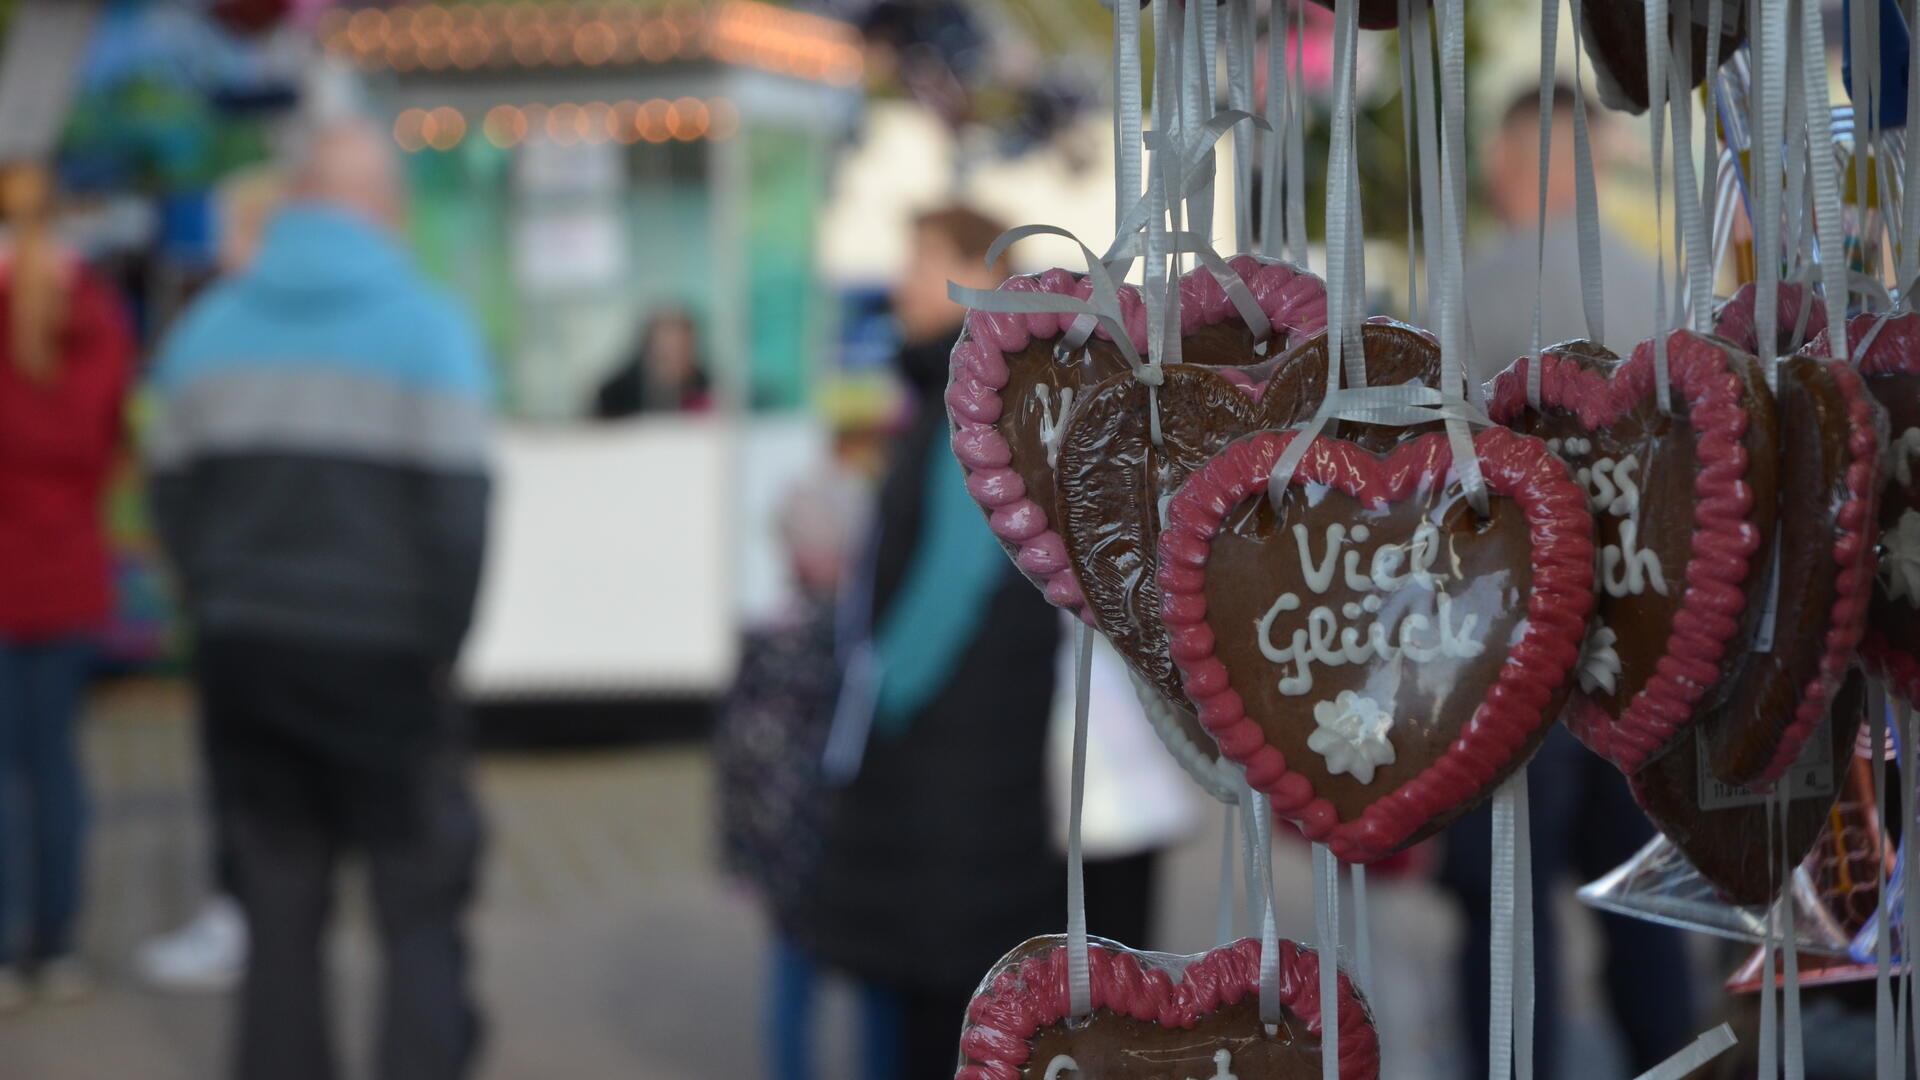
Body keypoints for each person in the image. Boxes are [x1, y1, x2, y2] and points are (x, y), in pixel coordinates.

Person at [146, 119, 491, 1080]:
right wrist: (440, 645)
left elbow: (169, 500)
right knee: (416, 911)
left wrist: (215, 603)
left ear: (296, 200)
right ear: (383, 208)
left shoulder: (204, 331)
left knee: (278, 908)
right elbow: (462, 523)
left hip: (246, 656)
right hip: (387, 661)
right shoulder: (431, 330)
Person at [1440, 83, 1696, 1077]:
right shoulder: (1662, 282)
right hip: (1644, 639)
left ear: (1516, 166)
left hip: (1511, 642)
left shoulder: (1474, 281)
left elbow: (1430, 474)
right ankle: (1671, 1057)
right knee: (1641, 895)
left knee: (1507, 904)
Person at [799, 205, 1064, 1078]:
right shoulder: (992, 390)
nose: (902, 283)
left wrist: (880, 689)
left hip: (946, 759)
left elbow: (954, 582)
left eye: (922, 263)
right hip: (965, 764)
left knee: (944, 1015)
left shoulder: (974, 399)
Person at [135, 162, 286, 996]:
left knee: (238, 771)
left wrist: (194, 570)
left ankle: (240, 915)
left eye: (229, 233)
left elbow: (170, 470)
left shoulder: (216, 331)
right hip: (308, 596)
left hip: (238, 596)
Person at [0, 162, 135, 1011]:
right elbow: (106, 446)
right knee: (54, 765)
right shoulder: (98, 319)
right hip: (69, 571)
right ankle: (56, 943)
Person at [713, 470, 894, 1080]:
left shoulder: (772, 641)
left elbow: (736, 766)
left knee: (796, 986)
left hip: (789, 853)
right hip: (851, 848)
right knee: (875, 984)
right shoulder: (861, 643)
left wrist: (739, 858)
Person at [1463, 83, 1659, 383]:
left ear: (1500, 154)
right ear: (1596, 166)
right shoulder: (1660, 285)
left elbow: (1416, 401)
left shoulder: (1481, 286)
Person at [592, 307, 711, 417]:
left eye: (681, 352)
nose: (673, 364)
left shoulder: (705, 387)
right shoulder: (616, 394)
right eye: (666, 355)